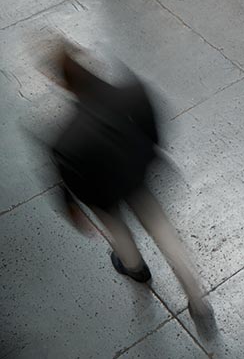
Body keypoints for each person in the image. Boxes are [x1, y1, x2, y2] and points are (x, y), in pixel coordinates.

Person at [41, 39, 214, 334]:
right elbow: (155, 136)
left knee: (121, 237)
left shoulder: (63, 140)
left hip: (105, 197)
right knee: (165, 235)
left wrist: (76, 211)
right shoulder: (132, 93)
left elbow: (70, 186)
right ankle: (198, 303)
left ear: (63, 84)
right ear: (87, 62)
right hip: (138, 180)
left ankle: (136, 269)